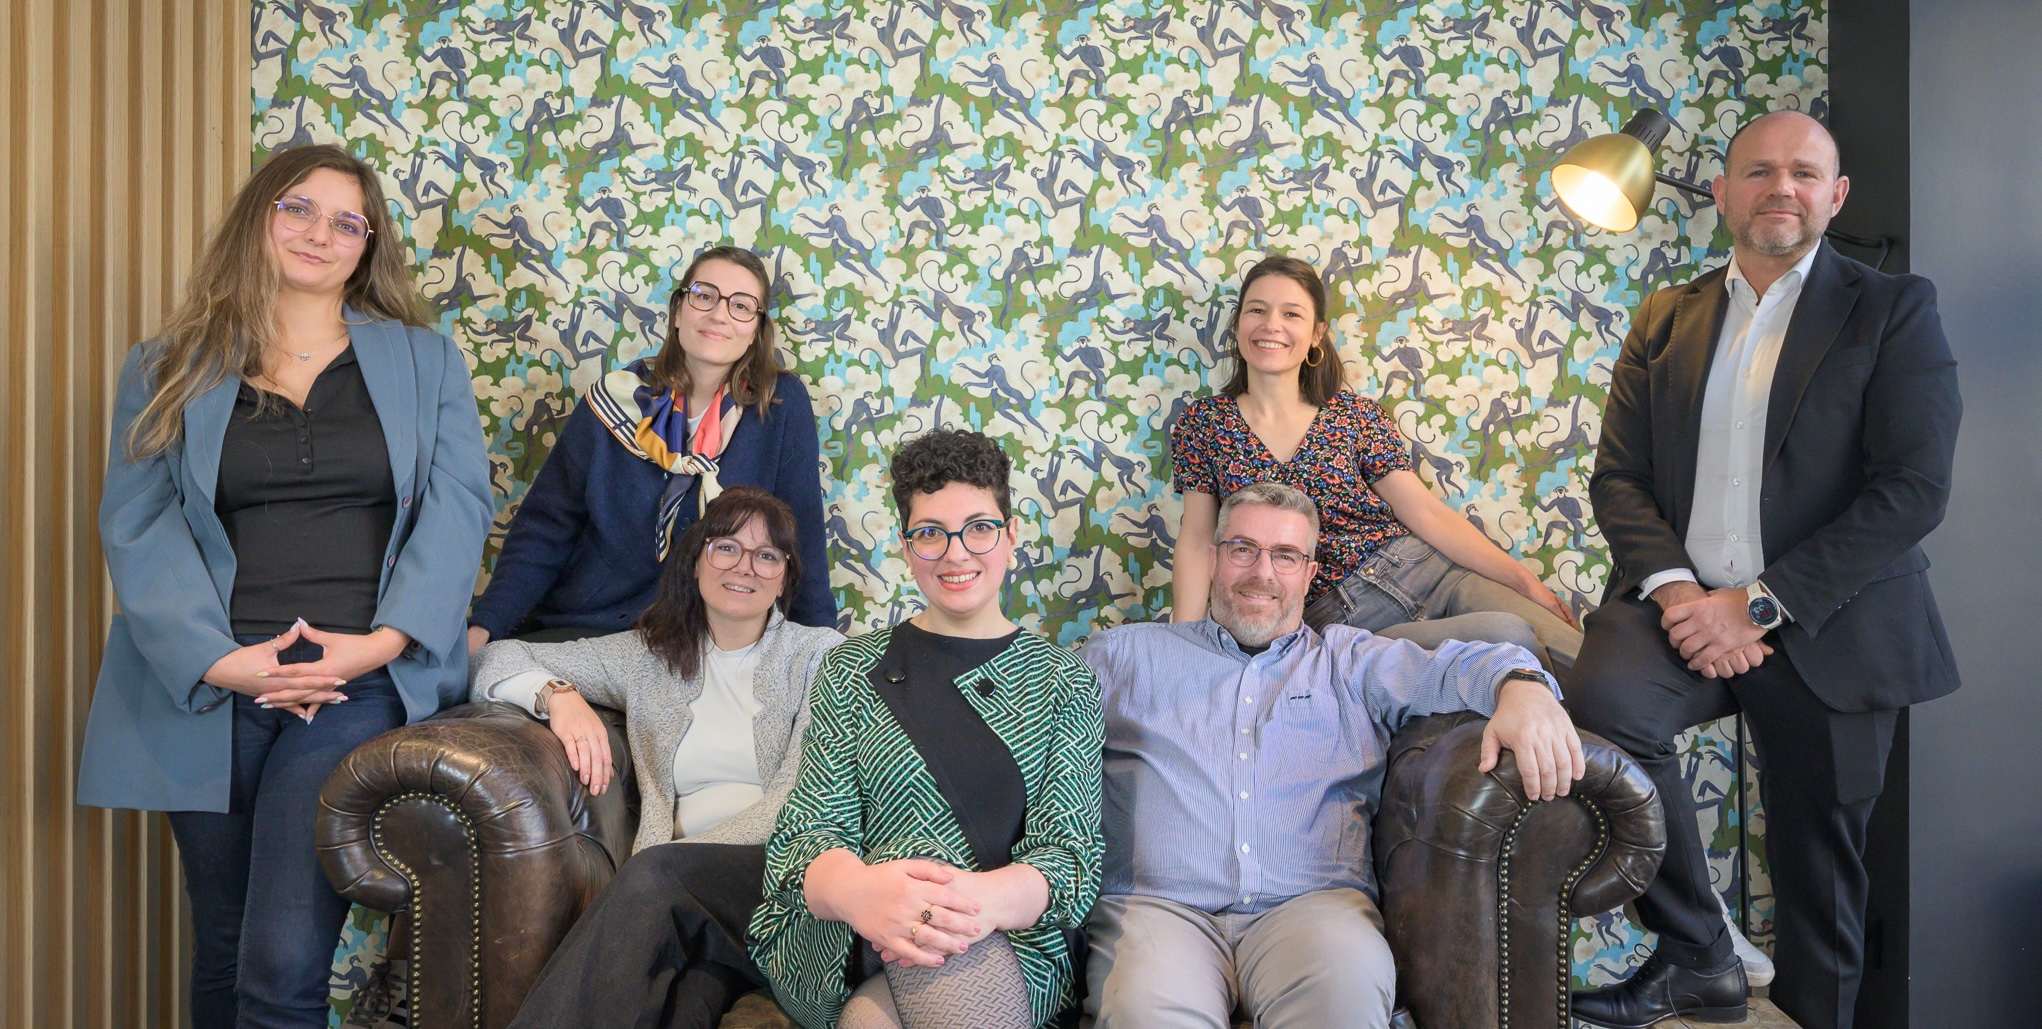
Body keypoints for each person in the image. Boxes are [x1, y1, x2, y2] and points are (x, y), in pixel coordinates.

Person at [75, 144, 492, 1028]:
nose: (319, 233)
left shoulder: (426, 362)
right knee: (225, 943)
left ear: (367, 246)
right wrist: (224, 663)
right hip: (212, 686)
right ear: (258, 216)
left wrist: (379, 645)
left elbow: (458, 512)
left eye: (347, 222)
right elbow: (138, 524)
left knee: (281, 958)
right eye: (297, 208)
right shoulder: (166, 365)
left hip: (356, 681)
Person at [1568, 111, 1962, 1029]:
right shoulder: (1666, 317)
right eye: (1758, 171)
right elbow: (1618, 477)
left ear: (1836, 195)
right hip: (1682, 609)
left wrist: (1757, 605)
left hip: (1832, 617)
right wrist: (1680, 593)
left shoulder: (1894, 309)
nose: (1781, 187)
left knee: (1818, 877)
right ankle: (1698, 954)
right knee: (1601, 709)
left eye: (1803, 173)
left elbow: (1912, 489)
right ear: (1721, 193)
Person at [1080, 480, 1584, 1027]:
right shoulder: (1127, 656)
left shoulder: (1349, 662)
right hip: (1159, 912)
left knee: (1345, 996)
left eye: (1285, 555)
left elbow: (1464, 664)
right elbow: (1032, 705)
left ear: (1309, 573)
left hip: (1312, 909)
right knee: (1142, 1014)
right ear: (1214, 557)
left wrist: (1522, 687)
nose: (1262, 572)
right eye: (1243, 549)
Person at [749, 430, 1105, 1029]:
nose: (956, 553)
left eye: (979, 528)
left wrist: (956, 907)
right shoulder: (851, 668)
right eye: (931, 533)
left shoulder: (1063, 679)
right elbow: (809, 832)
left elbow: (1070, 858)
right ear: (907, 547)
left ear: (1011, 535)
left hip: (1004, 933)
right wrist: (864, 895)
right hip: (852, 934)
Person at [480, 487, 844, 1028]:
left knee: (651, 878)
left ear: (785, 577)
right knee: (681, 1005)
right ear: (696, 560)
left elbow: (800, 800)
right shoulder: (648, 657)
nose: (745, 566)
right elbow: (495, 658)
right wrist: (557, 695)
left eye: (767, 555)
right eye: (727, 547)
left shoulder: (819, 655)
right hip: (690, 910)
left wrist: (671, 862)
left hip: (780, 879)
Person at [1168, 255, 1580, 674]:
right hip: (1341, 624)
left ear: (1316, 335)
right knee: (1512, 643)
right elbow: (1198, 540)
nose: (1271, 324)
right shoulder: (1205, 422)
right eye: (1257, 310)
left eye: (1291, 314)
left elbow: (1425, 512)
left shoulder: (1355, 415)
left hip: (1425, 571)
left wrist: (1524, 582)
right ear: (1238, 324)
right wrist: (1180, 648)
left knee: (1580, 659)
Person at [467, 244, 834, 650]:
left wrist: (820, 656)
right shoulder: (613, 402)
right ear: (678, 312)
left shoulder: (779, 406)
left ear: (756, 331)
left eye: (741, 306)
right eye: (704, 296)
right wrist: (486, 628)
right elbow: (547, 527)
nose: (719, 314)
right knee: (499, 666)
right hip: (592, 629)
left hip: (705, 642)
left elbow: (800, 537)